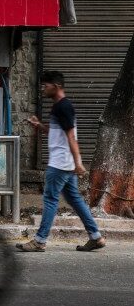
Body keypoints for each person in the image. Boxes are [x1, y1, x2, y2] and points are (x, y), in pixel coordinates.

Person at [17, 71, 105, 252]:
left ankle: (40, 241)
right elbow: (59, 132)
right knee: (75, 200)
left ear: (56, 86)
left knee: (50, 200)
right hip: (66, 163)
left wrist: (78, 162)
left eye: (45, 85)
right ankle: (96, 236)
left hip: (59, 164)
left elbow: (71, 137)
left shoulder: (63, 107)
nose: (42, 88)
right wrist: (39, 126)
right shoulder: (60, 106)